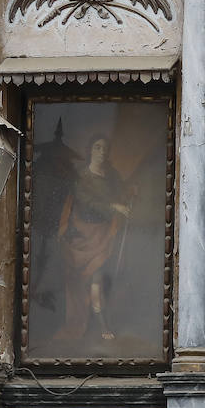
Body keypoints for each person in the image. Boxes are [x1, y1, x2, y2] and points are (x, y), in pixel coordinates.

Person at [53, 134, 131, 343]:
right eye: (97, 147)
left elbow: (121, 193)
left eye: (105, 148)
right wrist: (114, 206)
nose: (102, 152)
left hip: (105, 234)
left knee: (100, 278)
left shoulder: (112, 175)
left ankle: (101, 323)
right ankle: (99, 324)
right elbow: (86, 202)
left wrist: (129, 195)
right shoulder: (82, 177)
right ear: (90, 150)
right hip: (83, 235)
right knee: (91, 278)